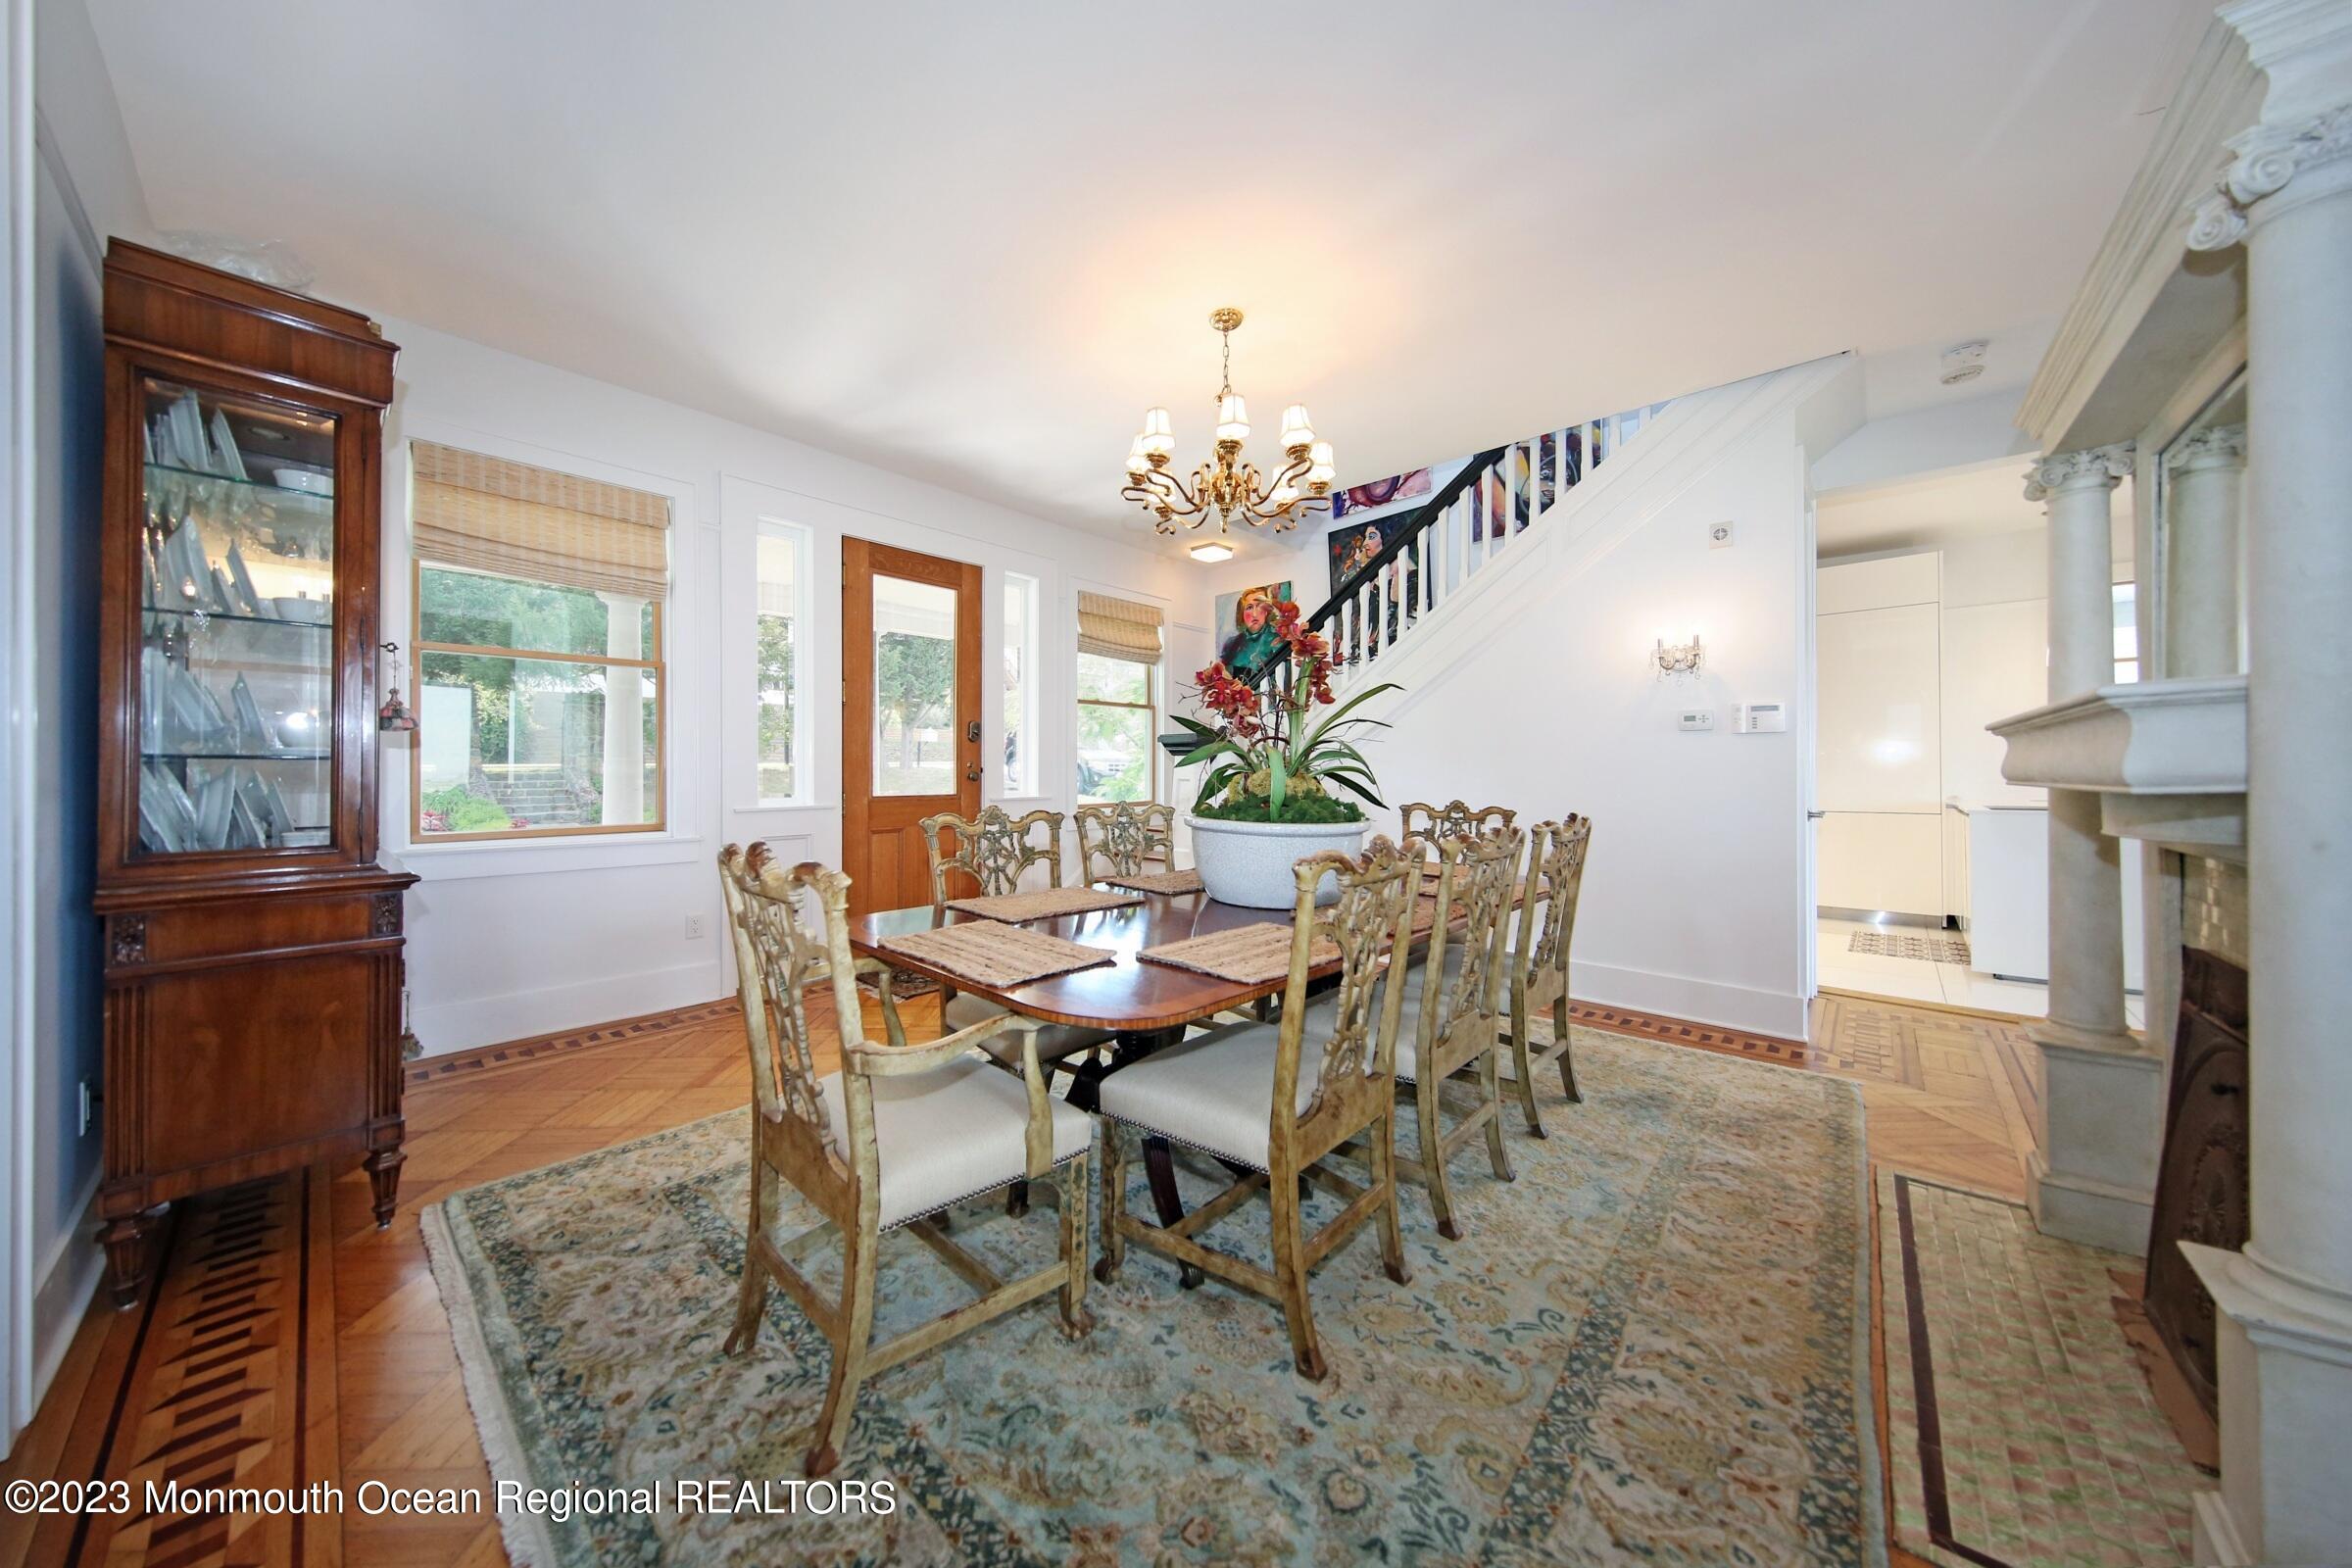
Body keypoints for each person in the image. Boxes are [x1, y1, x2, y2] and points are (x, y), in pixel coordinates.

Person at [1218, 584, 1287, 678]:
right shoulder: (1232, 644)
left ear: (1267, 611)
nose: (1254, 614)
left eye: (1260, 607)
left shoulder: (1276, 641)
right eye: (1249, 607)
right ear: (1241, 613)